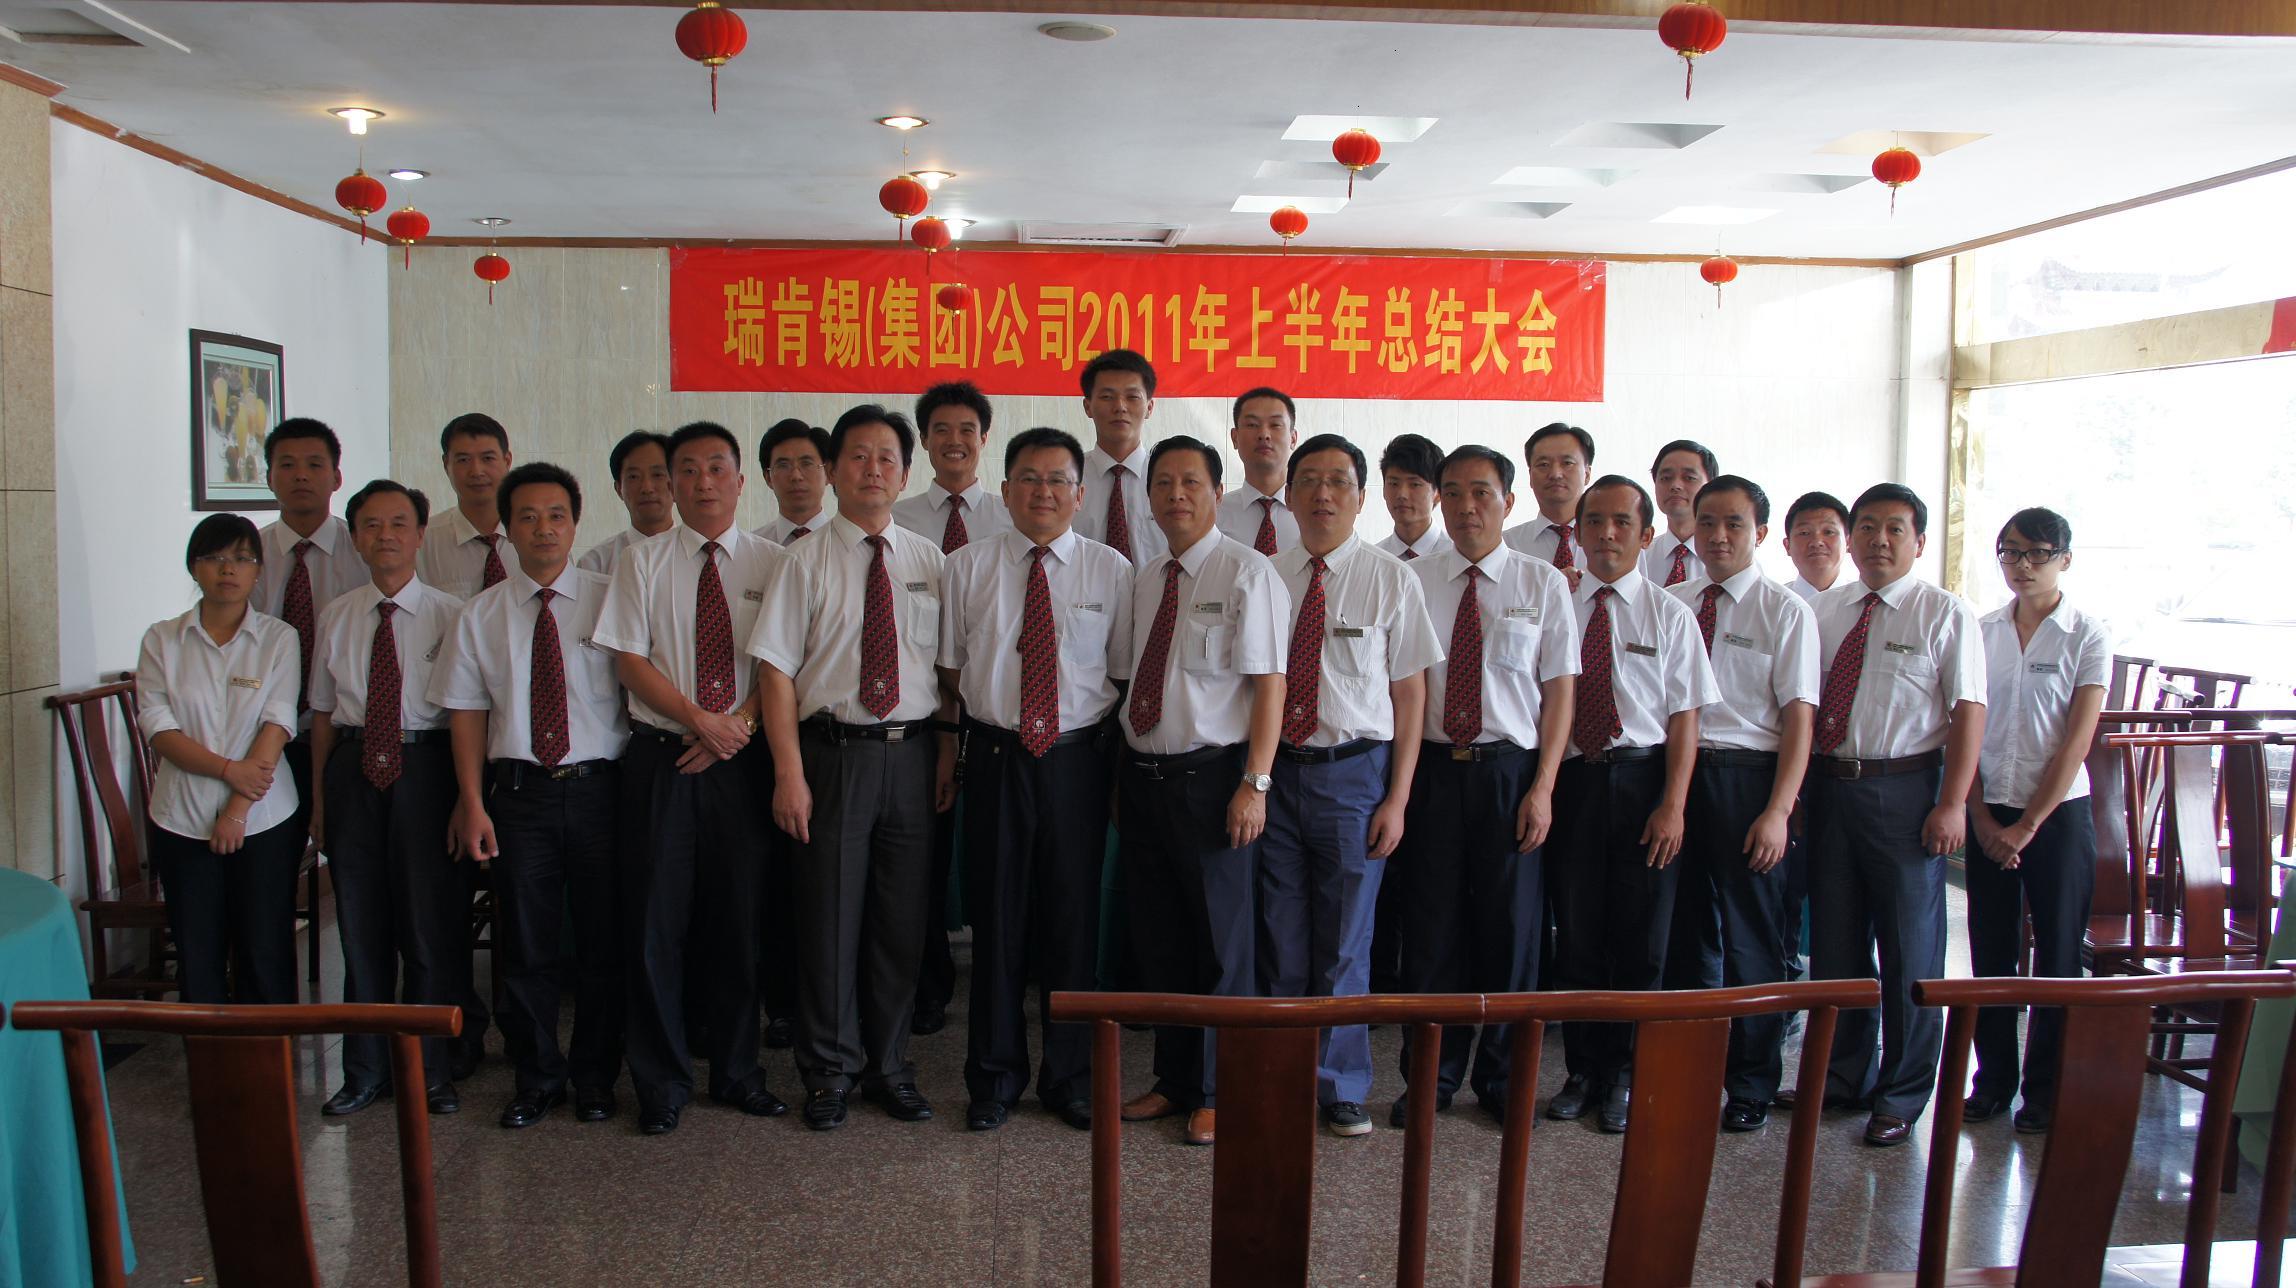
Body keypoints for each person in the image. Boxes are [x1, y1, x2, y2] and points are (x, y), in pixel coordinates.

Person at [753, 405, 951, 1132]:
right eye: (858, 456)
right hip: (832, 758)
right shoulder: (800, 562)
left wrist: (946, 755)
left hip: (912, 755)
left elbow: (947, 673)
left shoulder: (929, 561)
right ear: (834, 471)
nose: (873, 469)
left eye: (887, 457)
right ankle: (829, 1072)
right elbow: (775, 673)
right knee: (829, 921)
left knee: (901, 925)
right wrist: (788, 773)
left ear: (905, 473)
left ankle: (889, 1068)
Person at [593, 421, 793, 1136]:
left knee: (739, 921)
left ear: (741, 481)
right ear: (671, 484)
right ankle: (661, 1083)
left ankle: (737, 1072)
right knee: (656, 922)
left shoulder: (775, 562)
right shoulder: (641, 562)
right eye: (687, 469)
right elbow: (629, 660)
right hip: (662, 757)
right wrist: (698, 720)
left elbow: (780, 662)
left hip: (743, 759)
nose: (702, 481)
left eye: (716, 468)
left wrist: (734, 725)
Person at [938, 426, 1133, 1132]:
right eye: (1029, 477)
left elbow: (1119, 671)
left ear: (1079, 494)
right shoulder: (966, 567)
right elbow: (950, 669)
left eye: (1057, 480)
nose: (1043, 491)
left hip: (1079, 760)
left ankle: (1070, 1079)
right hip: (996, 756)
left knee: (1072, 922)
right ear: (1005, 489)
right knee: (997, 920)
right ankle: (993, 1079)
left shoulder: (1112, 571)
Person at [431, 462, 630, 1129]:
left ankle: (596, 1077)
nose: (543, 528)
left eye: (556, 515)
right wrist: (471, 801)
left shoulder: (611, 598)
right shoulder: (480, 614)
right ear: (508, 528)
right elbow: (466, 713)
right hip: (519, 797)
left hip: (602, 793)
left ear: (576, 523)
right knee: (526, 944)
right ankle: (537, 1076)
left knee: (603, 944)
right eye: (528, 517)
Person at [1795, 483, 1985, 1148]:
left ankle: (1902, 1094)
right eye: (1867, 527)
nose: (1879, 540)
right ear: (1851, 539)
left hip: (1904, 792)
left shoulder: (1944, 613)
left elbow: (1969, 710)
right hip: (1830, 789)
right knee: (1837, 947)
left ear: (1919, 542)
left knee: (1910, 949)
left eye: (1895, 529)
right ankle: (1844, 1076)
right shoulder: (1827, 610)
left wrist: (1953, 802)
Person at [1261, 433, 1441, 1137]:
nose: (1323, 493)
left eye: (1338, 481)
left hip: (1354, 776)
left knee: (1345, 939)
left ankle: (1339, 1084)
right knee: (1280, 933)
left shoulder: (1391, 579)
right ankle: (1282, 1072)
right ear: (1289, 494)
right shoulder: (1265, 576)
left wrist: (1398, 798)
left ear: (1361, 498)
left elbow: (1411, 697)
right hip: (1276, 774)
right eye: (1309, 479)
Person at [1394, 445, 1576, 1128]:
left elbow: (1559, 693)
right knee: (1431, 932)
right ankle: (1431, 1078)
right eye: (1453, 492)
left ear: (1509, 501)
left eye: (1482, 492)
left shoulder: (1542, 583)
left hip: (1510, 773)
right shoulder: (1415, 580)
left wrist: (1545, 787)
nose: (1466, 507)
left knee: (1512, 933)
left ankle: (1503, 1079)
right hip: (1434, 772)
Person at [1115, 435, 1288, 1148]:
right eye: (1163, 483)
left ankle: (1220, 1091)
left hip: (1214, 780)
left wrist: (1255, 783)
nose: (1176, 494)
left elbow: (1270, 685)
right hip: (1145, 779)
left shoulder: (1248, 571)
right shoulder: (1147, 577)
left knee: (1222, 945)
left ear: (1218, 492)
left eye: (1191, 481)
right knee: (1164, 940)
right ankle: (1175, 1079)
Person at [1546, 474, 1717, 1135]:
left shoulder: (1670, 614)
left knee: (1641, 942)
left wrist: (1674, 804)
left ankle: (1623, 1073)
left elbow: (1685, 719)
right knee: (1578, 936)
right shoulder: (1558, 604)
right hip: (1573, 784)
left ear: (1647, 536)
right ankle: (1582, 1070)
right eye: (1594, 522)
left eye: (1622, 522)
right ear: (1578, 532)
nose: (1607, 533)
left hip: (1644, 783)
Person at [309, 480, 468, 1116]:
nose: (386, 536)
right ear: (355, 537)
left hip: (426, 768)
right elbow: (323, 713)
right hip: (353, 770)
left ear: (421, 534)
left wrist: (466, 797)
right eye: (371, 525)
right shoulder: (337, 615)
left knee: (429, 927)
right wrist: (321, 800)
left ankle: (431, 1072)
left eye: (399, 523)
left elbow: (468, 713)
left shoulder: (452, 615)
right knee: (359, 926)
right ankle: (364, 1070)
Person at [1666, 476, 1819, 1131]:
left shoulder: (1785, 611)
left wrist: (1778, 810)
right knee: (1683, 933)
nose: (1718, 536)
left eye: (1734, 524)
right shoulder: (1674, 602)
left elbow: (1800, 718)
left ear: (1760, 533)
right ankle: (1685, 1069)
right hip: (1676, 777)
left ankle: (1752, 1083)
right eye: (1707, 523)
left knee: (1753, 939)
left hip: (1747, 780)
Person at [1964, 507, 2108, 1135]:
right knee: (1991, 951)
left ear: (2064, 560)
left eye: (2037, 554)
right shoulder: (1982, 631)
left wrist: (2027, 827)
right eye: (2011, 552)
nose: (2022, 565)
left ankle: (2047, 1090)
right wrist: (1978, 815)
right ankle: (1993, 1081)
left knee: (2057, 953)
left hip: (2058, 815)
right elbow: (1964, 728)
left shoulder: (2087, 635)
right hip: (1989, 807)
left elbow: (2076, 742)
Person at [137, 515, 303, 1005]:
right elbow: (159, 729)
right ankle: (208, 1051)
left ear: (258, 571)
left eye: (242, 558)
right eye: (214, 558)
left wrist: (236, 810)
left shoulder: (279, 638)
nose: (228, 569)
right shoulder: (162, 639)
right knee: (197, 951)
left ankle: (269, 1050)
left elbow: (278, 722)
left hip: (265, 817)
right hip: (181, 816)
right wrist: (230, 771)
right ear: (194, 567)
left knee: (264, 947)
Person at [893, 380, 1012, 1038]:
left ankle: (1008, 981)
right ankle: (927, 984)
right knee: (924, 856)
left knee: (1001, 854)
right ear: (924, 440)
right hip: (920, 705)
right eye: (941, 429)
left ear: (984, 439)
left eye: (968, 429)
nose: (955, 441)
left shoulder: (1012, 514)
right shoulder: (899, 518)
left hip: (997, 705)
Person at [252, 418, 367, 845]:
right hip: (262, 731)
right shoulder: (248, 555)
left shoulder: (364, 551)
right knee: (272, 856)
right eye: (287, 465)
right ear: (269, 478)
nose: (301, 475)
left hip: (341, 731)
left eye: (314, 464)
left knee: (346, 849)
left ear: (336, 477)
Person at [1071, 349, 1164, 567]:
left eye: (1132, 397)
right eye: (1107, 397)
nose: (1120, 407)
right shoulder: (1066, 478)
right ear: (1087, 406)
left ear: (1149, 407)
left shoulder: (1170, 479)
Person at [417, 412, 515, 599]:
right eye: (463, 460)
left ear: (507, 461)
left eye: (487, 458)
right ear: (446, 464)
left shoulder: (537, 537)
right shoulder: (422, 543)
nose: (476, 471)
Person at [1501, 422, 1594, 587]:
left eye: (1567, 463)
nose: (1555, 474)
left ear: (1586, 474)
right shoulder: (1507, 546)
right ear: (1530, 476)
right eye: (1543, 465)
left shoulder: (1612, 543)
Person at [1215, 387, 1301, 557]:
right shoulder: (1214, 515)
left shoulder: (1313, 512)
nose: (1264, 434)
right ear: (1234, 437)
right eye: (1252, 425)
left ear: (1293, 438)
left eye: (1275, 425)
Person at [578, 430, 676, 576]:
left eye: (657, 475)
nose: (647, 488)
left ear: (676, 483)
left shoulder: (701, 558)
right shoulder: (595, 564)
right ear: (619, 489)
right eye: (634, 477)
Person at [1640, 440, 1716, 588]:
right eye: (1666, 478)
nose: (1675, 486)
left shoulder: (1726, 557)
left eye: (1689, 478)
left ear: (1711, 486)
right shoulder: (1639, 557)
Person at [1375, 433, 1450, 564]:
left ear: (1438, 493)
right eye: (1394, 484)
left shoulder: (1455, 555)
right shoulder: (1374, 559)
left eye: (1415, 484)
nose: (1402, 494)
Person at [756, 418, 830, 546]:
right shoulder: (753, 548)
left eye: (806, 463)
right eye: (783, 466)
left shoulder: (849, 546)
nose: (796, 476)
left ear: (828, 472)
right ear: (768, 477)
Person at [1783, 491, 1850, 603]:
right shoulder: (1772, 604)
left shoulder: (1868, 603)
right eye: (1804, 533)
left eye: (1828, 532)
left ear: (1849, 542)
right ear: (1787, 545)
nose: (1817, 542)